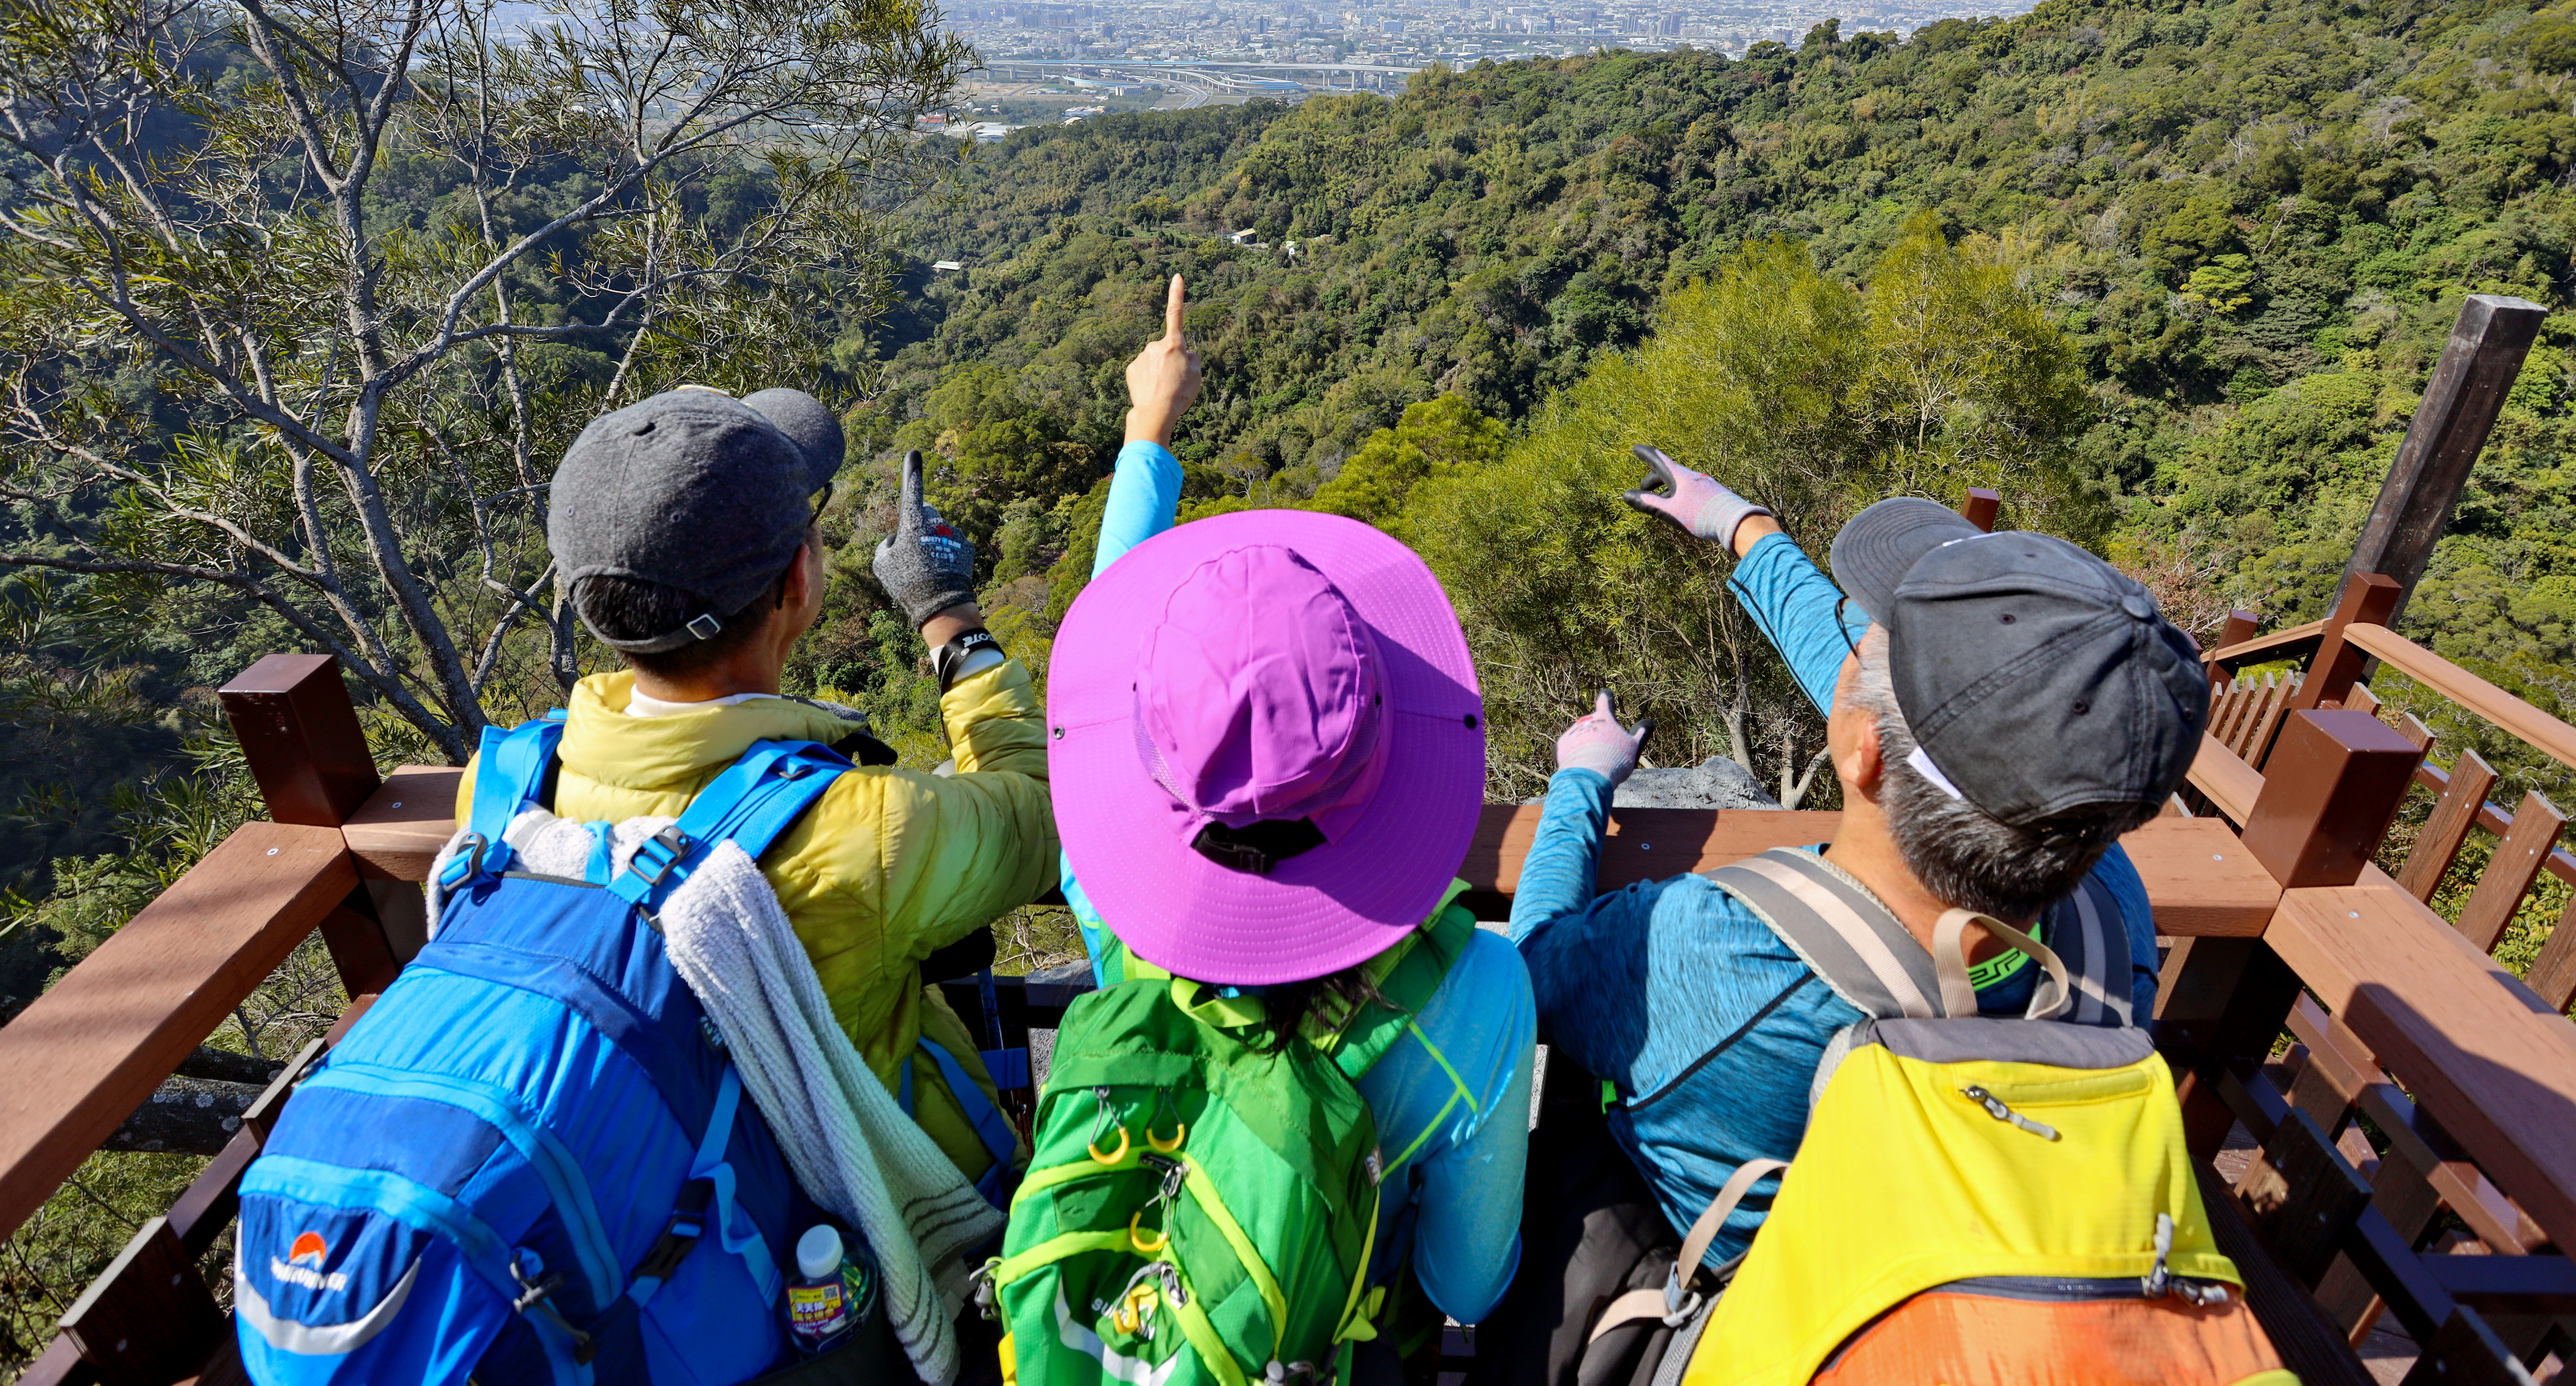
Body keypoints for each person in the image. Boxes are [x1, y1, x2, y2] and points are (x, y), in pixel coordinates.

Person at [1493, 449, 2204, 1383]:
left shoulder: (1717, 949)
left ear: (1862, 744)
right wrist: (1747, 534)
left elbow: (1534, 966)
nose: (1853, 642)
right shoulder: (2108, 895)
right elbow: (1928, 722)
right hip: (1971, 1294)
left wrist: (1580, 784)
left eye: (1871, 643)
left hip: (1761, 1309)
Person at [1029, 276, 1536, 1345]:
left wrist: (1147, 434)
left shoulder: (1121, 911)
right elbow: (1467, 1287)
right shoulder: (1480, 993)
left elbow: (1127, 684)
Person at [453, 382, 1058, 1194]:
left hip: (655, 1206)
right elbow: (1047, 813)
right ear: (797, 583)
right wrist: (949, 615)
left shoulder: (503, 791)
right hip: (876, 1229)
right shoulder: (865, 827)